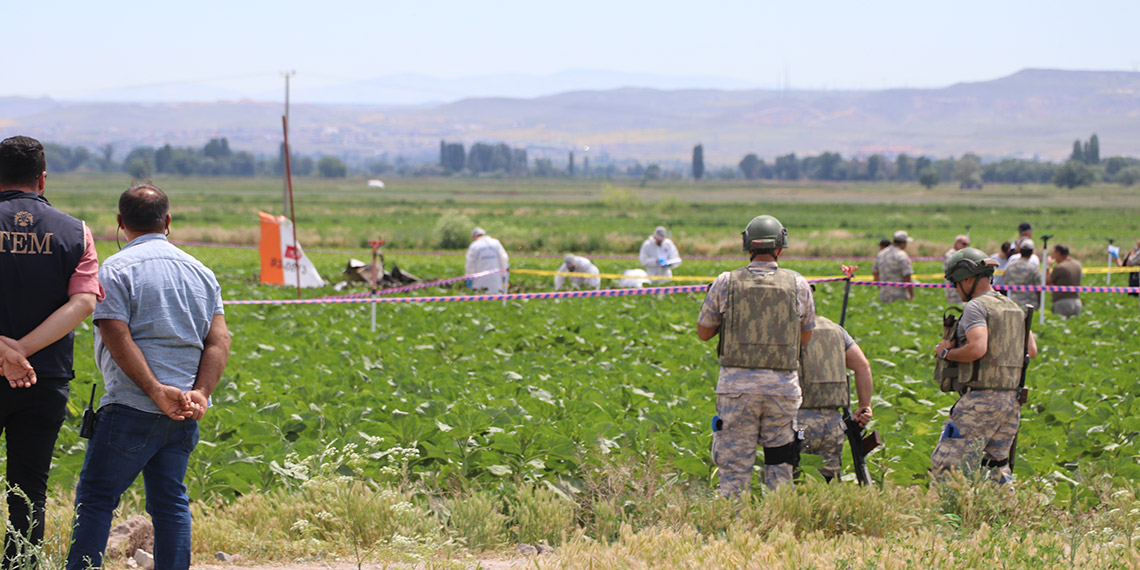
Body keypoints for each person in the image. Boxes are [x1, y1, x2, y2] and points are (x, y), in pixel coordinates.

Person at [66, 185, 230, 570]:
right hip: (184, 413)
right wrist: (201, 393)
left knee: (96, 499)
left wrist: (156, 390)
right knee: (170, 503)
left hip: (130, 409)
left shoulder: (117, 269)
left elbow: (115, 335)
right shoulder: (201, 272)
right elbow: (219, 339)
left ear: (120, 223)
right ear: (167, 222)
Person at [0, 135, 102, 567]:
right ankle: (20, 565)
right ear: (43, 178)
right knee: (28, 487)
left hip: (19, 365)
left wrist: (5, 350)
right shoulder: (75, 232)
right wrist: (22, 351)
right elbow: (83, 302)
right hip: (44, 377)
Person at [697, 215, 815, 496]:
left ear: (748, 248)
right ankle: (778, 521)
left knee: (735, 466)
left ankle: (733, 525)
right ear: (780, 249)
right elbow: (806, 337)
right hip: (782, 390)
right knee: (780, 462)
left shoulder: (726, 282)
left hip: (737, 389)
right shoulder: (798, 284)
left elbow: (704, 332)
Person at [933, 248, 1037, 483]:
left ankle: (948, 517)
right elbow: (1031, 350)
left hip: (981, 400)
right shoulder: (1012, 306)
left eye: (956, 283)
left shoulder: (976, 307)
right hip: (1011, 401)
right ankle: (1004, 514)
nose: (956, 289)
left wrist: (946, 352)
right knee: (995, 465)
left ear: (969, 279)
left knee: (946, 463)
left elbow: (977, 348)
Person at [797, 313, 873, 482]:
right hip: (833, 423)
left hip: (798, 420)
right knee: (827, 484)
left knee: (793, 483)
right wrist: (864, 405)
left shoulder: (786, 328)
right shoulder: (835, 329)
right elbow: (863, 366)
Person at [871, 230, 915, 303]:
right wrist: (911, 296)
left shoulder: (881, 254)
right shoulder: (902, 255)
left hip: (884, 295)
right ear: (903, 243)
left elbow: (875, 272)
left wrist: (880, 287)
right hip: (900, 296)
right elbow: (907, 276)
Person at [465, 227, 509, 294]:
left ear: (474, 236)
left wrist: (469, 276)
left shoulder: (474, 245)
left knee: (481, 296)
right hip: (496, 276)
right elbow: (504, 258)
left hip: (480, 277)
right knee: (496, 295)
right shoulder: (496, 243)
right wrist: (504, 272)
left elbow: (470, 263)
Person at [1003, 239, 1042, 310]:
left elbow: (1005, 280)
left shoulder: (1010, 265)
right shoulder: (1033, 267)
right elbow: (1038, 287)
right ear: (1031, 253)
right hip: (1030, 304)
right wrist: (1040, 303)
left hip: (1013, 303)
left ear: (1020, 251)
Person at [1047, 244, 1082, 317]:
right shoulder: (1078, 264)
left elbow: (1047, 281)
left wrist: (1047, 266)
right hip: (1077, 302)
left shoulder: (1060, 267)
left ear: (1058, 253)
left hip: (1062, 303)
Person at [943, 235, 970, 303]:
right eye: (964, 244)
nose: (966, 246)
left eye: (967, 244)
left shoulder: (964, 254)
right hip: (953, 289)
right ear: (956, 243)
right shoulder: (950, 255)